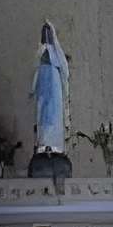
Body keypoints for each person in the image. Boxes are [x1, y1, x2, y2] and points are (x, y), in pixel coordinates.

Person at [31, 21, 70, 157]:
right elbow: (35, 73)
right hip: (43, 94)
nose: (46, 35)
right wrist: (33, 89)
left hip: (54, 93)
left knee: (53, 117)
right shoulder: (40, 53)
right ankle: (43, 145)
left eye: (48, 32)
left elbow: (64, 71)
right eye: (44, 32)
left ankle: (54, 147)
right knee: (42, 117)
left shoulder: (56, 55)